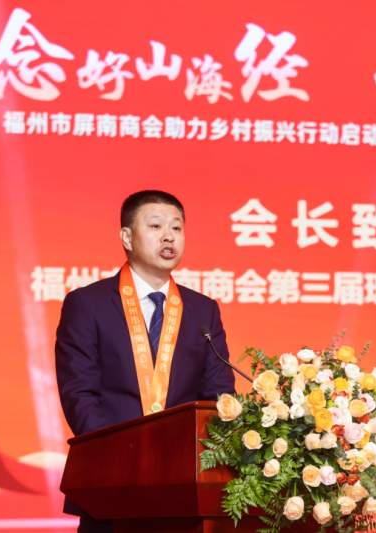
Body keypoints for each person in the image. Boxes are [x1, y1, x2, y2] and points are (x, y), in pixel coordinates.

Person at [55, 190, 236, 533]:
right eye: (156, 226)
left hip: (187, 489)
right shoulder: (88, 304)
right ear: (126, 237)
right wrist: (120, 458)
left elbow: (219, 395)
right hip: (110, 485)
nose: (169, 236)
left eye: (177, 228)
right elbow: (79, 393)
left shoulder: (203, 310)